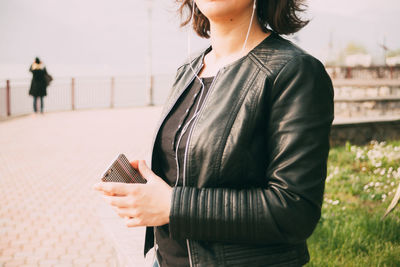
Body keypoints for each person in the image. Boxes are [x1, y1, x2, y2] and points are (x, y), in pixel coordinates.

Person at [94, 0, 334, 266]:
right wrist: (149, 192)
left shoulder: (294, 72)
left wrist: (173, 206)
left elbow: (295, 210)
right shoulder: (189, 69)